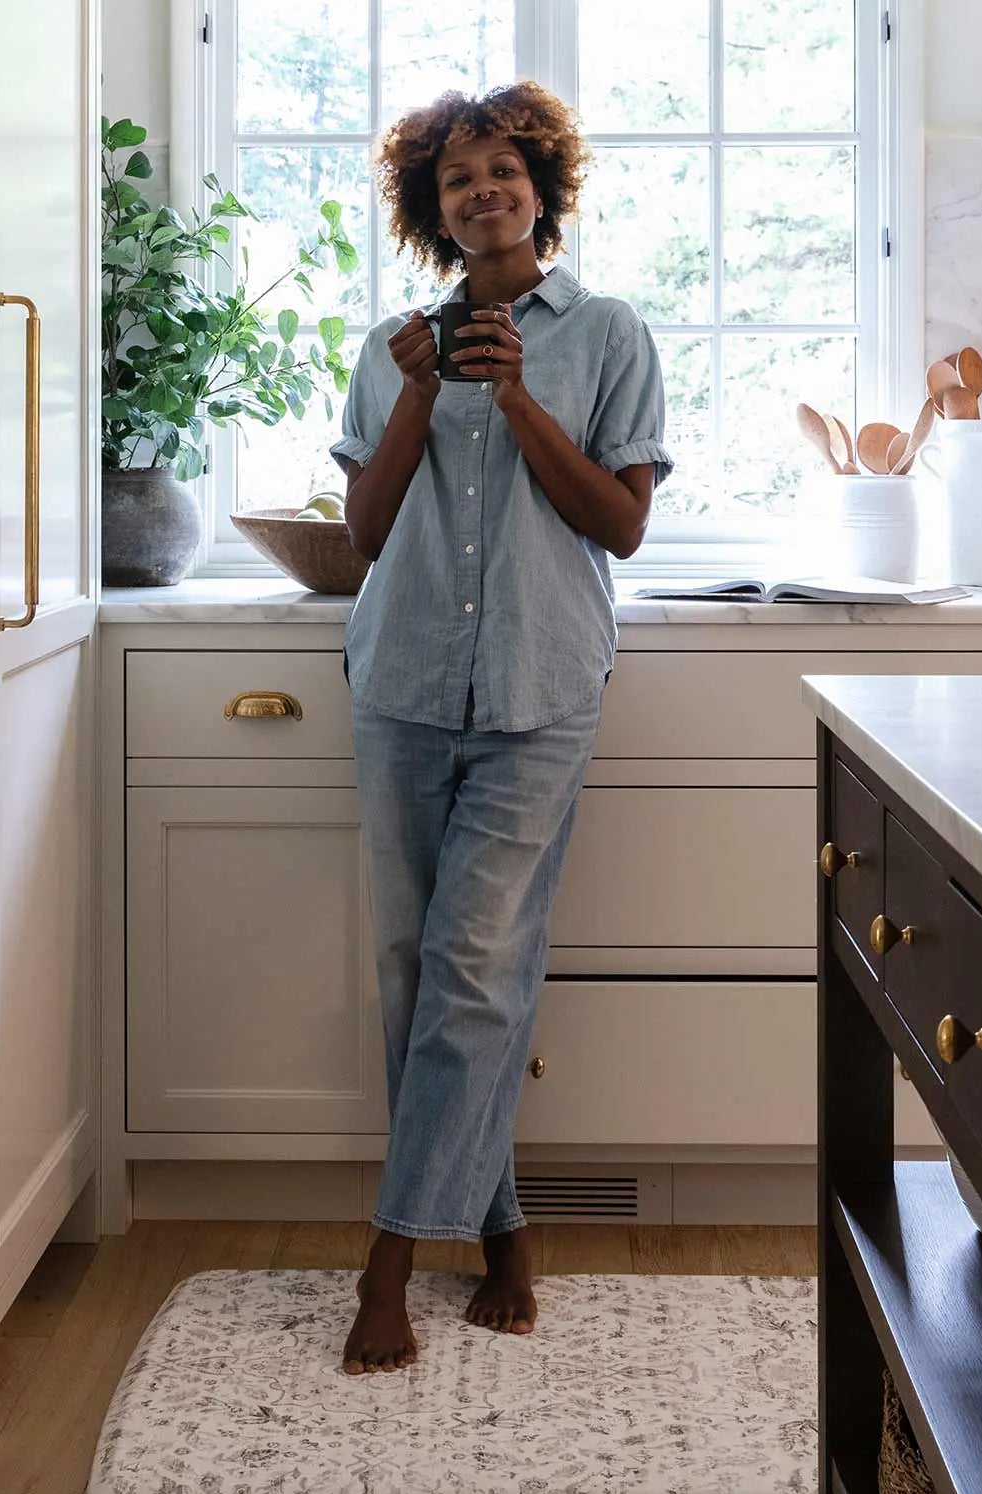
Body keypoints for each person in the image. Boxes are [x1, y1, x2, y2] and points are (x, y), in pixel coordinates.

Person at [328, 80, 672, 1375]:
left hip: (538, 691)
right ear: (434, 209)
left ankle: (391, 1257)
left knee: (473, 971)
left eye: (505, 171)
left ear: (542, 187)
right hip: (403, 684)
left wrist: (519, 397)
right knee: (424, 979)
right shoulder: (389, 348)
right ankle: (506, 1229)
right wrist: (425, 390)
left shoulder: (607, 333)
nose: (485, 192)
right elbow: (365, 537)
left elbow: (623, 526)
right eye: (458, 179)